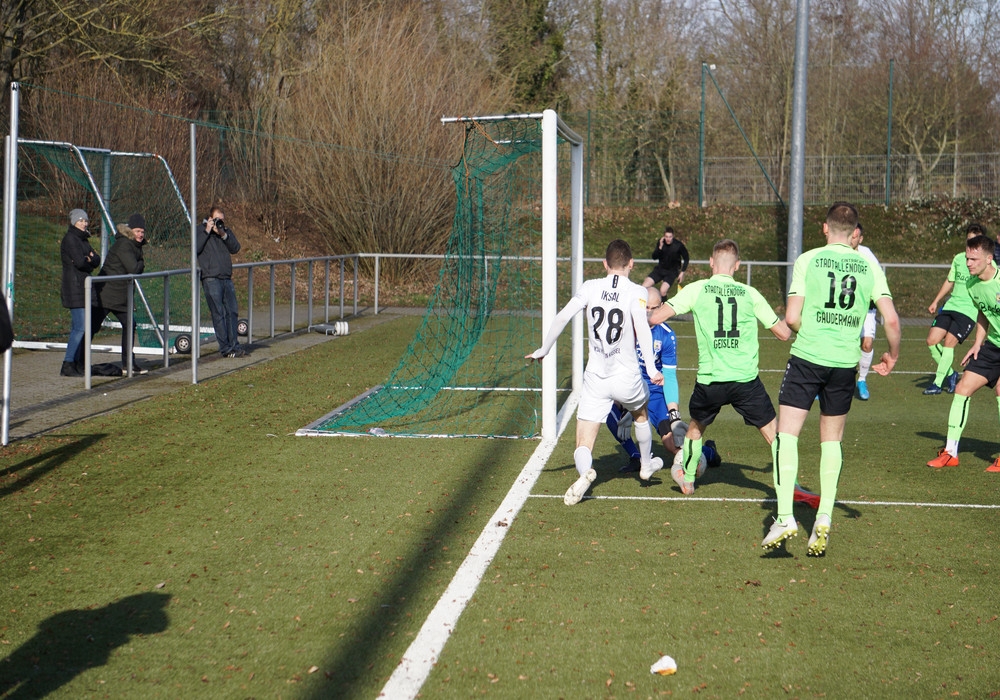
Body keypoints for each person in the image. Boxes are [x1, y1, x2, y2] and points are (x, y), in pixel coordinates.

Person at [764, 202, 901, 556]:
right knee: (832, 441)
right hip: (844, 364)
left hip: (808, 357)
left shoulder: (808, 260)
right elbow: (892, 320)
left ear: (826, 229)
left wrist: (810, 329)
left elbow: (792, 317)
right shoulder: (869, 265)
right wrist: (892, 355)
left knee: (786, 436)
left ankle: (784, 517)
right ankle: (823, 517)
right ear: (854, 232)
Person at [648, 239, 792, 496]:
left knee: (694, 430)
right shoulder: (750, 294)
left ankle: (689, 479)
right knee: (774, 434)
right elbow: (783, 333)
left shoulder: (697, 290)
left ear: (711, 263)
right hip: (745, 381)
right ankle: (789, 485)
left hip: (711, 381)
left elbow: (656, 317)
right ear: (737, 265)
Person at [526, 239, 665, 505]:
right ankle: (646, 466)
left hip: (596, 378)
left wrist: (544, 349)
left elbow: (563, 316)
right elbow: (642, 329)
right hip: (626, 376)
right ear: (631, 264)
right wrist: (650, 367)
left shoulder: (590, 287)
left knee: (583, 441)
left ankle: (585, 472)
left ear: (605, 264)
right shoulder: (637, 291)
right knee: (641, 413)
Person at [606, 288, 719, 472]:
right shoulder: (625, 329)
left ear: (662, 307)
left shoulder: (666, 335)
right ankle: (636, 457)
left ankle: (709, 451)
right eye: (646, 307)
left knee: (673, 445)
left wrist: (674, 415)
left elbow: (669, 376)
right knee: (608, 410)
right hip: (632, 385)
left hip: (656, 392)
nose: (649, 312)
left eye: (654, 307)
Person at [927, 234, 1000, 473]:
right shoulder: (971, 284)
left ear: (989, 259)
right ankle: (950, 453)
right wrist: (978, 342)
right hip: (992, 346)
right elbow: (983, 313)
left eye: (973, 259)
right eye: (967, 258)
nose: (967, 263)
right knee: (962, 388)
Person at [923, 223, 983, 395]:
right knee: (931, 340)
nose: (970, 246)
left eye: (975, 243)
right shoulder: (958, 259)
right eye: (968, 242)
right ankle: (951, 374)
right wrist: (936, 300)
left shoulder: (986, 263)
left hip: (968, 311)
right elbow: (950, 281)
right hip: (951, 306)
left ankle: (937, 383)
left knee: (949, 343)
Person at [96, 213, 150, 375]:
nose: (140, 234)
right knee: (91, 328)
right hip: (106, 295)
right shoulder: (125, 245)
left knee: (130, 324)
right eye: (137, 231)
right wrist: (141, 263)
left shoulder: (133, 245)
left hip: (120, 296)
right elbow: (134, 269)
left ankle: (128, 363)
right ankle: (75, 360)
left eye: (142, 231)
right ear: (130, 230)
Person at [197, 206, 246, 358]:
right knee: (218, 314)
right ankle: (225, 348)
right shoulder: (201, 230)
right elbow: (195, 248)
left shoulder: (224, 231)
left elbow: (236, 248)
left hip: (226, 277)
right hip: (211, 278)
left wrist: (223, 234)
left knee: (232, 312)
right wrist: (207, 230)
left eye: (222, 220)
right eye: (217, 219)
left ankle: (234, 345)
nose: (220, 222)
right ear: (210, 218)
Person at [59, 209, 101, 377]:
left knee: (81, 327)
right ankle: (68, 363)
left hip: (83, 286)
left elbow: (96, 260)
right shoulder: (70, 239)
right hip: (74, 288)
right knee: (80, 327)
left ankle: (75, 362)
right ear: (74, 221)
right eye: (81, 220)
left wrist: (90, 259)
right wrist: (88, 259)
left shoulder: (83, 239)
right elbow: (80, 262)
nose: (84, 223)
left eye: (86, 220)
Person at [852, 224, 880, 400]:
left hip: (867, 308)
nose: (853, 238)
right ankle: (823, 384)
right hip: (846, 308)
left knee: (867, 344)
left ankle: (861, 380)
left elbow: (877, 277)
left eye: (857, 236)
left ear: (860, 238)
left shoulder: (866, 254)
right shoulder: (838, 253)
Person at [644, 226, 689, 297]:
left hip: (671, 272)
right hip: (660, 269)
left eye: (670, 237)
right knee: (644, 286)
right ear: (664, 236)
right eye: (666, 237)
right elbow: (654, 257)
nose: (668, 239)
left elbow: (686, 258)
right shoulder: (661, 243)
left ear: (673, 236)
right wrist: (660, 248)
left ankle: (664, 306)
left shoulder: (678, 245)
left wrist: (682, 272)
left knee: (662, 291)